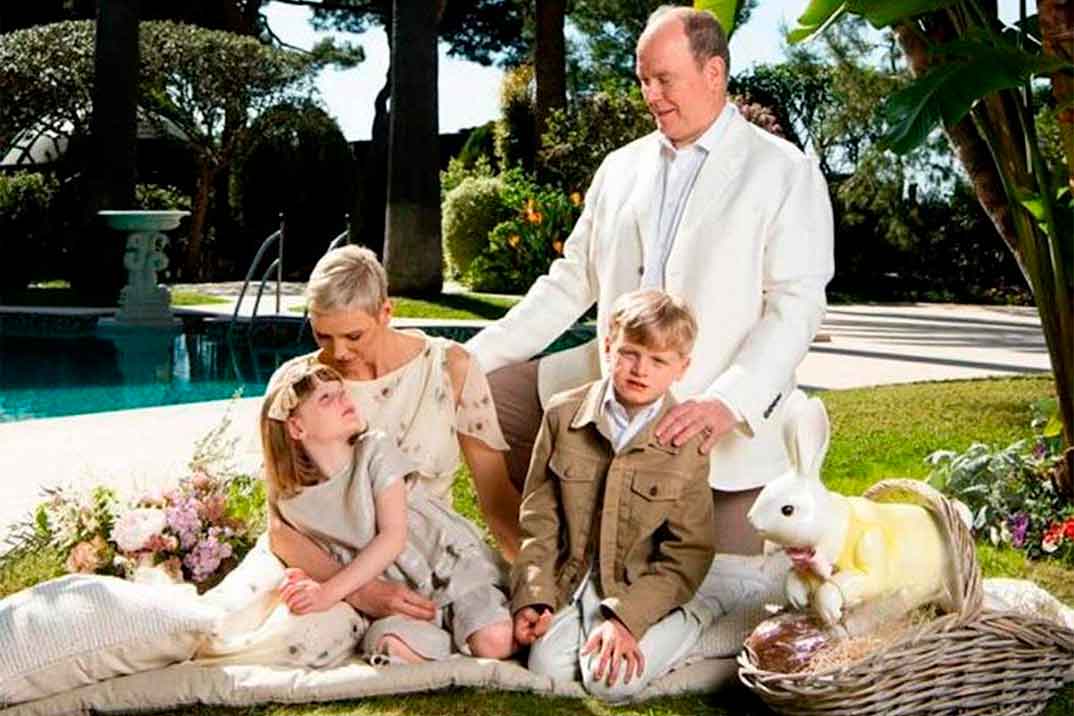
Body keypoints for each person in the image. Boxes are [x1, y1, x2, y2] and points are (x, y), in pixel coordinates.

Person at [467, 5, 834, 558]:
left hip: (716, 420)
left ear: (714, 73)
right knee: (485, 396)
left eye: (665, 79)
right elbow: (571, 281)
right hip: (610, 386)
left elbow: (796, 307)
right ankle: (526, 549)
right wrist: (471, 357)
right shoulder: (620, 167)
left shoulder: (784, 171)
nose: (651, 95)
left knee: (731, 596)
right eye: (643, 80)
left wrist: (725, 404)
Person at [268, 245, 522, 627]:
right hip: (324, 570)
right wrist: (360, 592)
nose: (339, 353)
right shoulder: (298, 387)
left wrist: (537, 592)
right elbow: (279, 527)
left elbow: (497, 503)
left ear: (386, 312)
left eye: (354, 335)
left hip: (431, 562)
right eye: (323, 336)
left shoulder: (450, 368)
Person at [512, 289, 717, 701]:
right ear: (607, 346)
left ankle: (697, 619)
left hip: (638, 584)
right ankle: (593, 630)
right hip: (575, 580)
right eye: (629, 353)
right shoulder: (562, 415)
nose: (641, 370)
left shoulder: (687, 443)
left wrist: (626, 621)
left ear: (682, 368)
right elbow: (539, 520)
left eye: (659, 361)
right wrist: (534, 595)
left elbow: (687, 552)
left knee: (608, 685)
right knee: (546, 669)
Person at [260, 360, 515, 662]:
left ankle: (474, 634)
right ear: (297, 427)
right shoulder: (294, 504)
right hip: (402, 595)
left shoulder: (374, 450)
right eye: (326, 399)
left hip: (449, 568)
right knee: (386, 641)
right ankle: (450, 646)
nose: (343, 399)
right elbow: (283, 541)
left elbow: (393, 537)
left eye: (340, 391)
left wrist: (327, 593)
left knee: (493, 642)